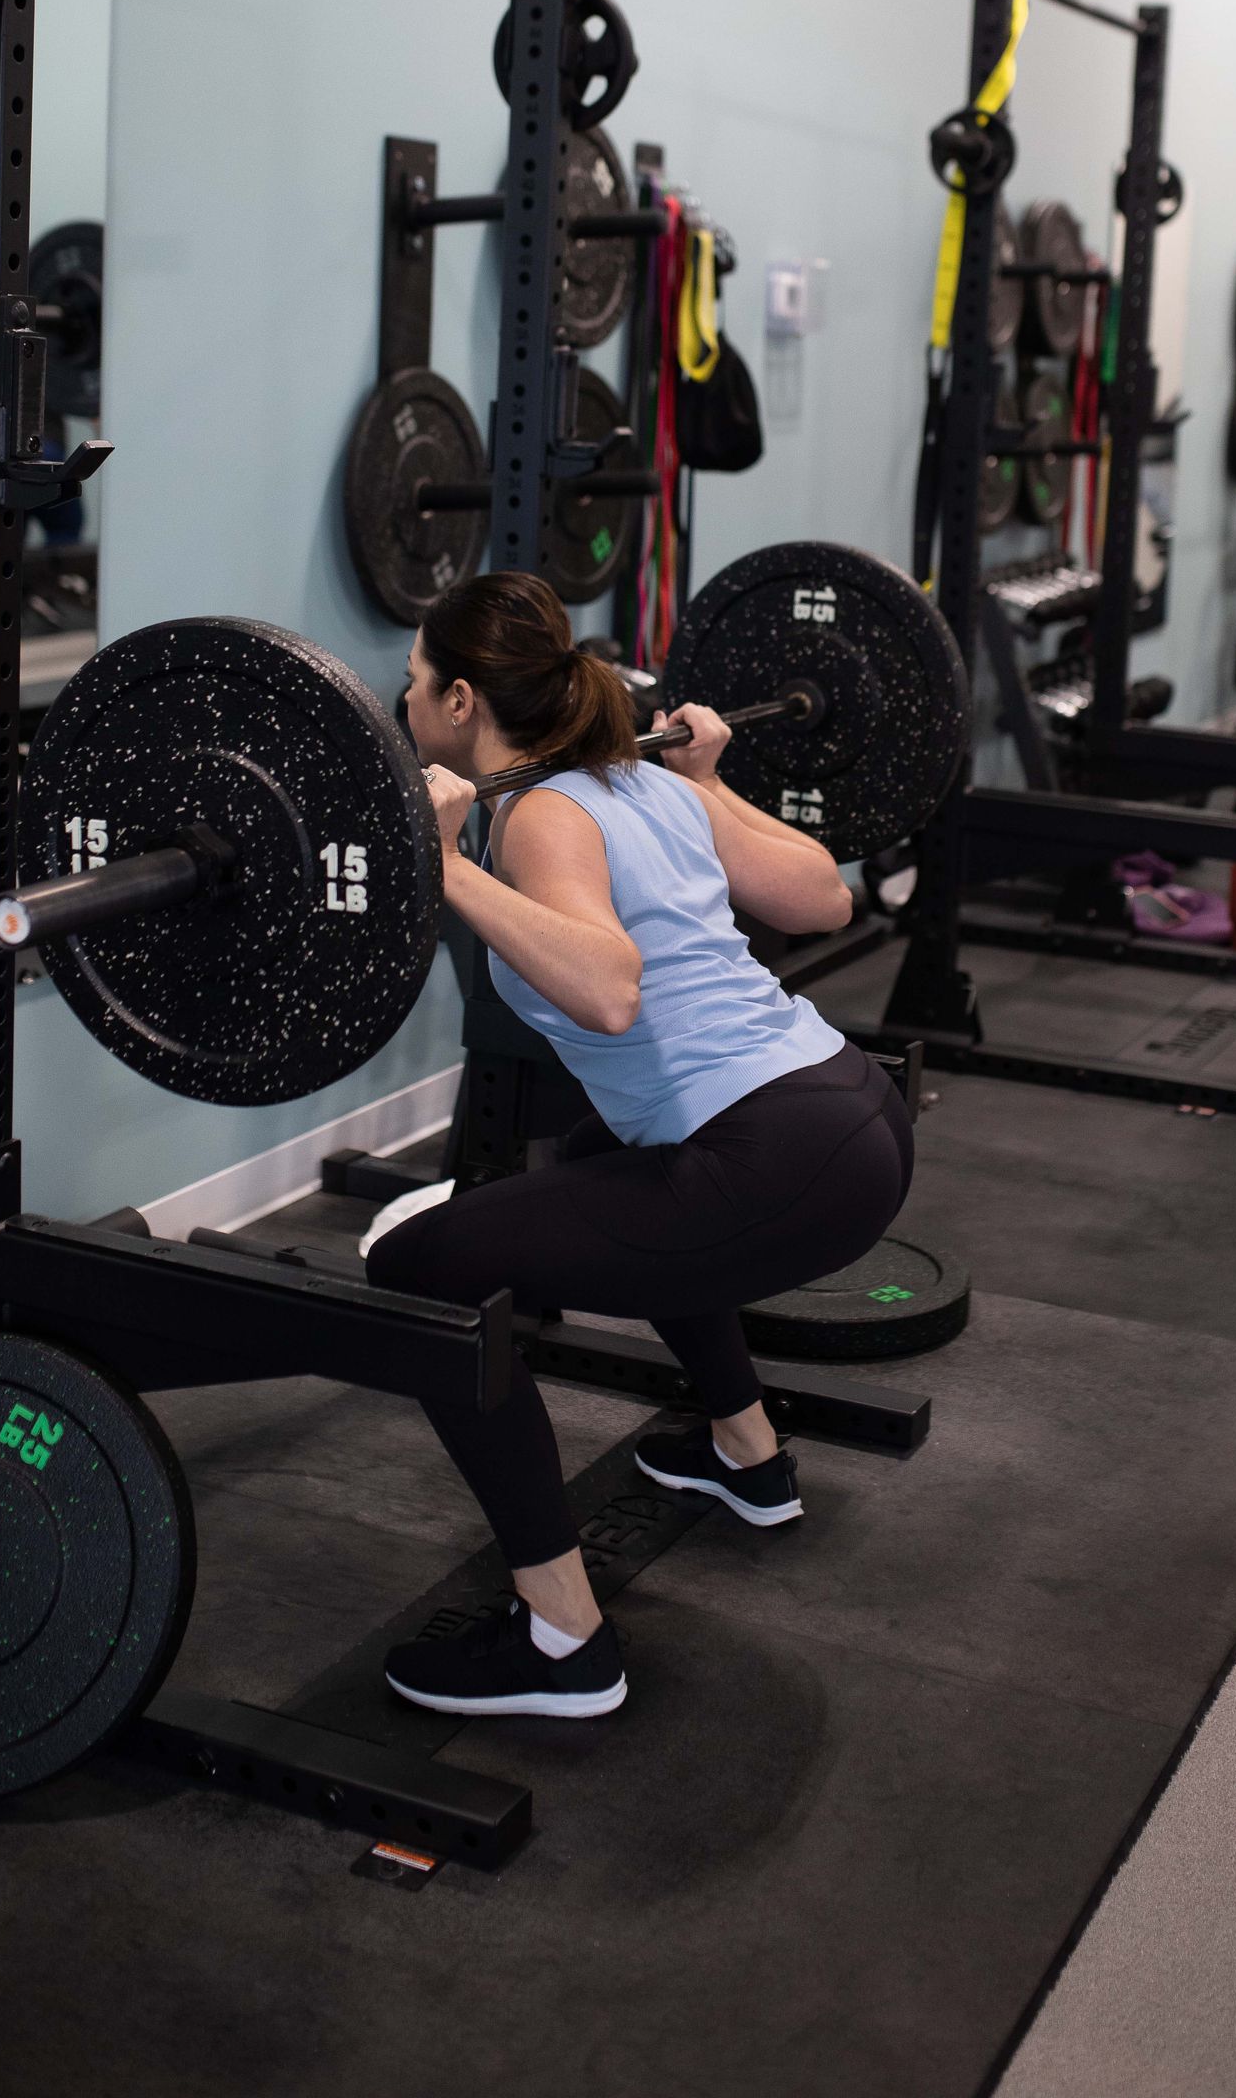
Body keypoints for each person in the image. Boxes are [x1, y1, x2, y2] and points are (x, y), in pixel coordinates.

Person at [367, 569, 915, 1719]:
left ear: (462, 702)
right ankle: (747, 1455)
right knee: (596, 1155)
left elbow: (610, 993)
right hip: (852, 1109)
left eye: (414, 685)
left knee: (420, 1270)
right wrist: (708, 784)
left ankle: (564, 1642)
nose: (403, 702)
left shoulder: (543, 813)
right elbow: (827, 898)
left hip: (771, 1156)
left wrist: (451, 866)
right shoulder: (640, 780)